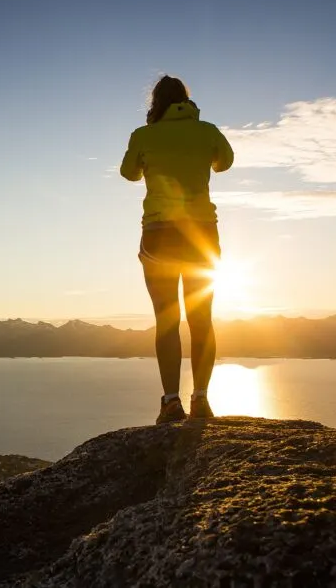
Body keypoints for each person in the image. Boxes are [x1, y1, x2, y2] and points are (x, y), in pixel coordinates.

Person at [120, 75, 234, 424]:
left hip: (159, 236)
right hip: (201, 235)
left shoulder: (143, 135)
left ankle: (171, 402)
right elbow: (224, 162)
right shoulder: (208, 130)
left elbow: (128, 173)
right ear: (187, 100)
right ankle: (201, 398)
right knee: (201, 319)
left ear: (155, 102)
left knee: (167, 321)